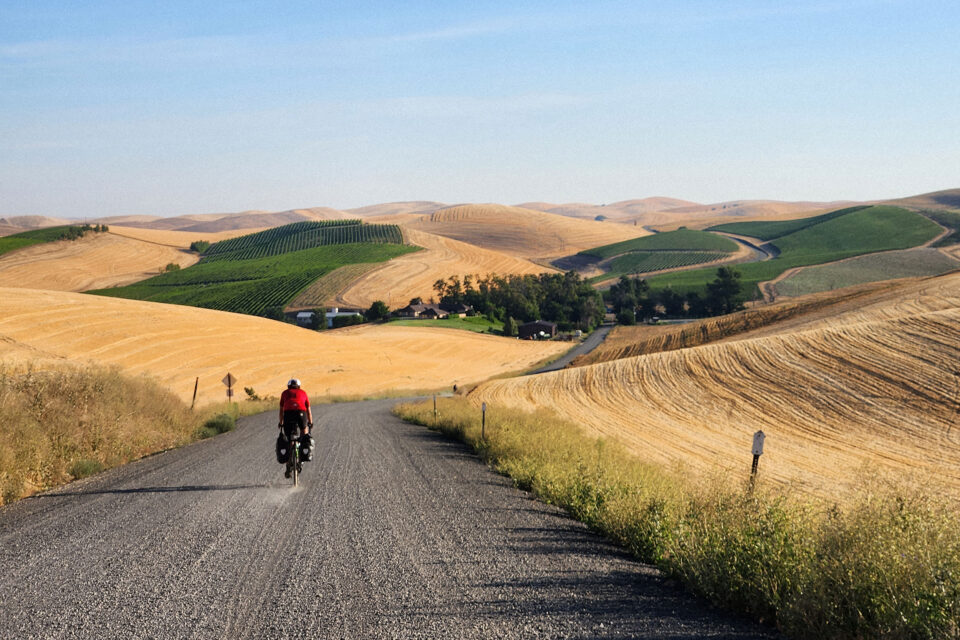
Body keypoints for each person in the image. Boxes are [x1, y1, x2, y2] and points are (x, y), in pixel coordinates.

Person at [279, 378, 313, 478]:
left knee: (289, 438)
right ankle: (301, 457)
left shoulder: (284, 393)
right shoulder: (303, 393)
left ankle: (288, 464)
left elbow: (281, 411)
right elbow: (309, 411)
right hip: (301, 414)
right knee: (304, 432)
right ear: (299, 386)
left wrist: (281, 423)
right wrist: (310, 423)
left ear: (288, 386)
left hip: (288, 415)